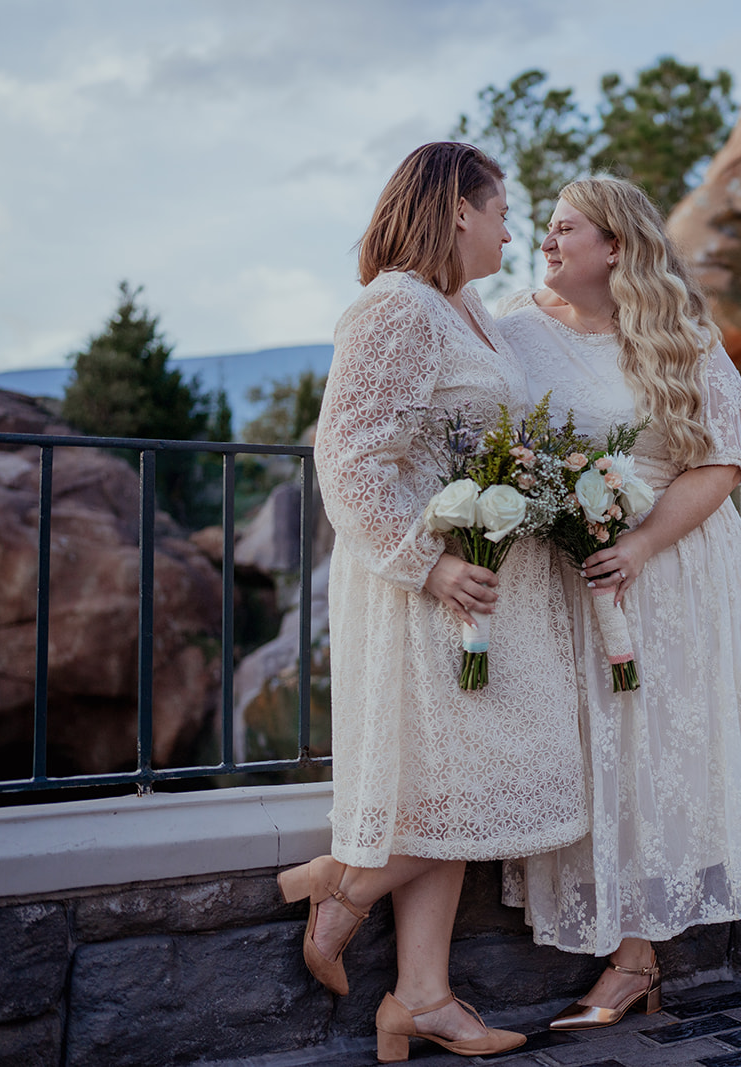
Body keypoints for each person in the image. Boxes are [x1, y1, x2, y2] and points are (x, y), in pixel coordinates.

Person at [495, 175, 741, 1031]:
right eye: (545, 224)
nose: (547, 237)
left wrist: (642, 544)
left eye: (566, 226)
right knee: (620, 755)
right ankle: (635, 959)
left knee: (718, 725)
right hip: (581, 576)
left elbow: (725, 458)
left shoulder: (675, 326)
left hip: (677, 559)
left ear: (615, 246)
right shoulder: (513, 334)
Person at [280, 142, 588, 1062]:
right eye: (501, 209)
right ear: (458, 209)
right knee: (479, 788)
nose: (509, 227)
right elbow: (349, 460)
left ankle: (418, 997)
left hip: (477, 590)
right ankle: (340, 882)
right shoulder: (393, 308)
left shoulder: (464, 307)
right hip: (425, 593)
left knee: (449, 791)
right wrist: (433, 565)